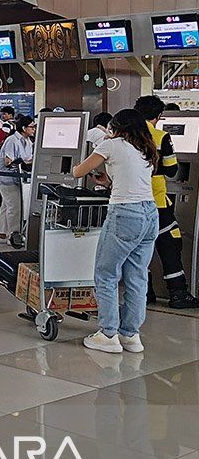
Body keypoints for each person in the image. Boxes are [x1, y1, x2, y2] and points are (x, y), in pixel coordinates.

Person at [71, 109, 159, 353]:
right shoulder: (146, 148)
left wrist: (84, 166)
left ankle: (108, 334)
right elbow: (131, 177)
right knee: (137, 276)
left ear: (116, 127)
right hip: (150, 214)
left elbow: (78, 171)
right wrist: (107, 182)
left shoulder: (112, 145)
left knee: (106, 274)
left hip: (124, 214)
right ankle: (130, 335)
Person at [135, 95, 199, 308]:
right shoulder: (161, 136)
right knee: (170, 244)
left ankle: (145, 292)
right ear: (159, 116)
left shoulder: (125, 136)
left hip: (132, 201)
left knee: (140, 249)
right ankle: (178, 294)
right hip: (157, 201)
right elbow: (172, 170)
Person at [0, 115, 36, 245]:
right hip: (6, 177)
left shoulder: (29, 141)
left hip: (16, 178)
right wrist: (25, 162)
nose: (34, 129)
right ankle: (14, 236)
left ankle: (3, 235)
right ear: (24, 128)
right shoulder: (12, 140)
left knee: (6, 205)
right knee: (14, 206)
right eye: (32, 126)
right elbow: (8, 161)